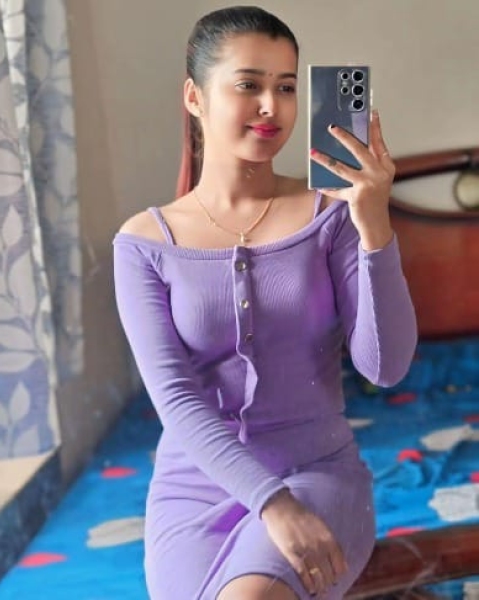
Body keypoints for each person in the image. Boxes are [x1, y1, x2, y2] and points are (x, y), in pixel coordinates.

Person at [112, 6, 417, 599]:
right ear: (195, 97)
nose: (270, 106)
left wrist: (375, 224)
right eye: (248, 85)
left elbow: (386, 368)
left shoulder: (332, 216)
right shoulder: (143, 245)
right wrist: (270, 504)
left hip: (317, 475)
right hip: (193, 488)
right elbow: (176, 399)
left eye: (286, 87)